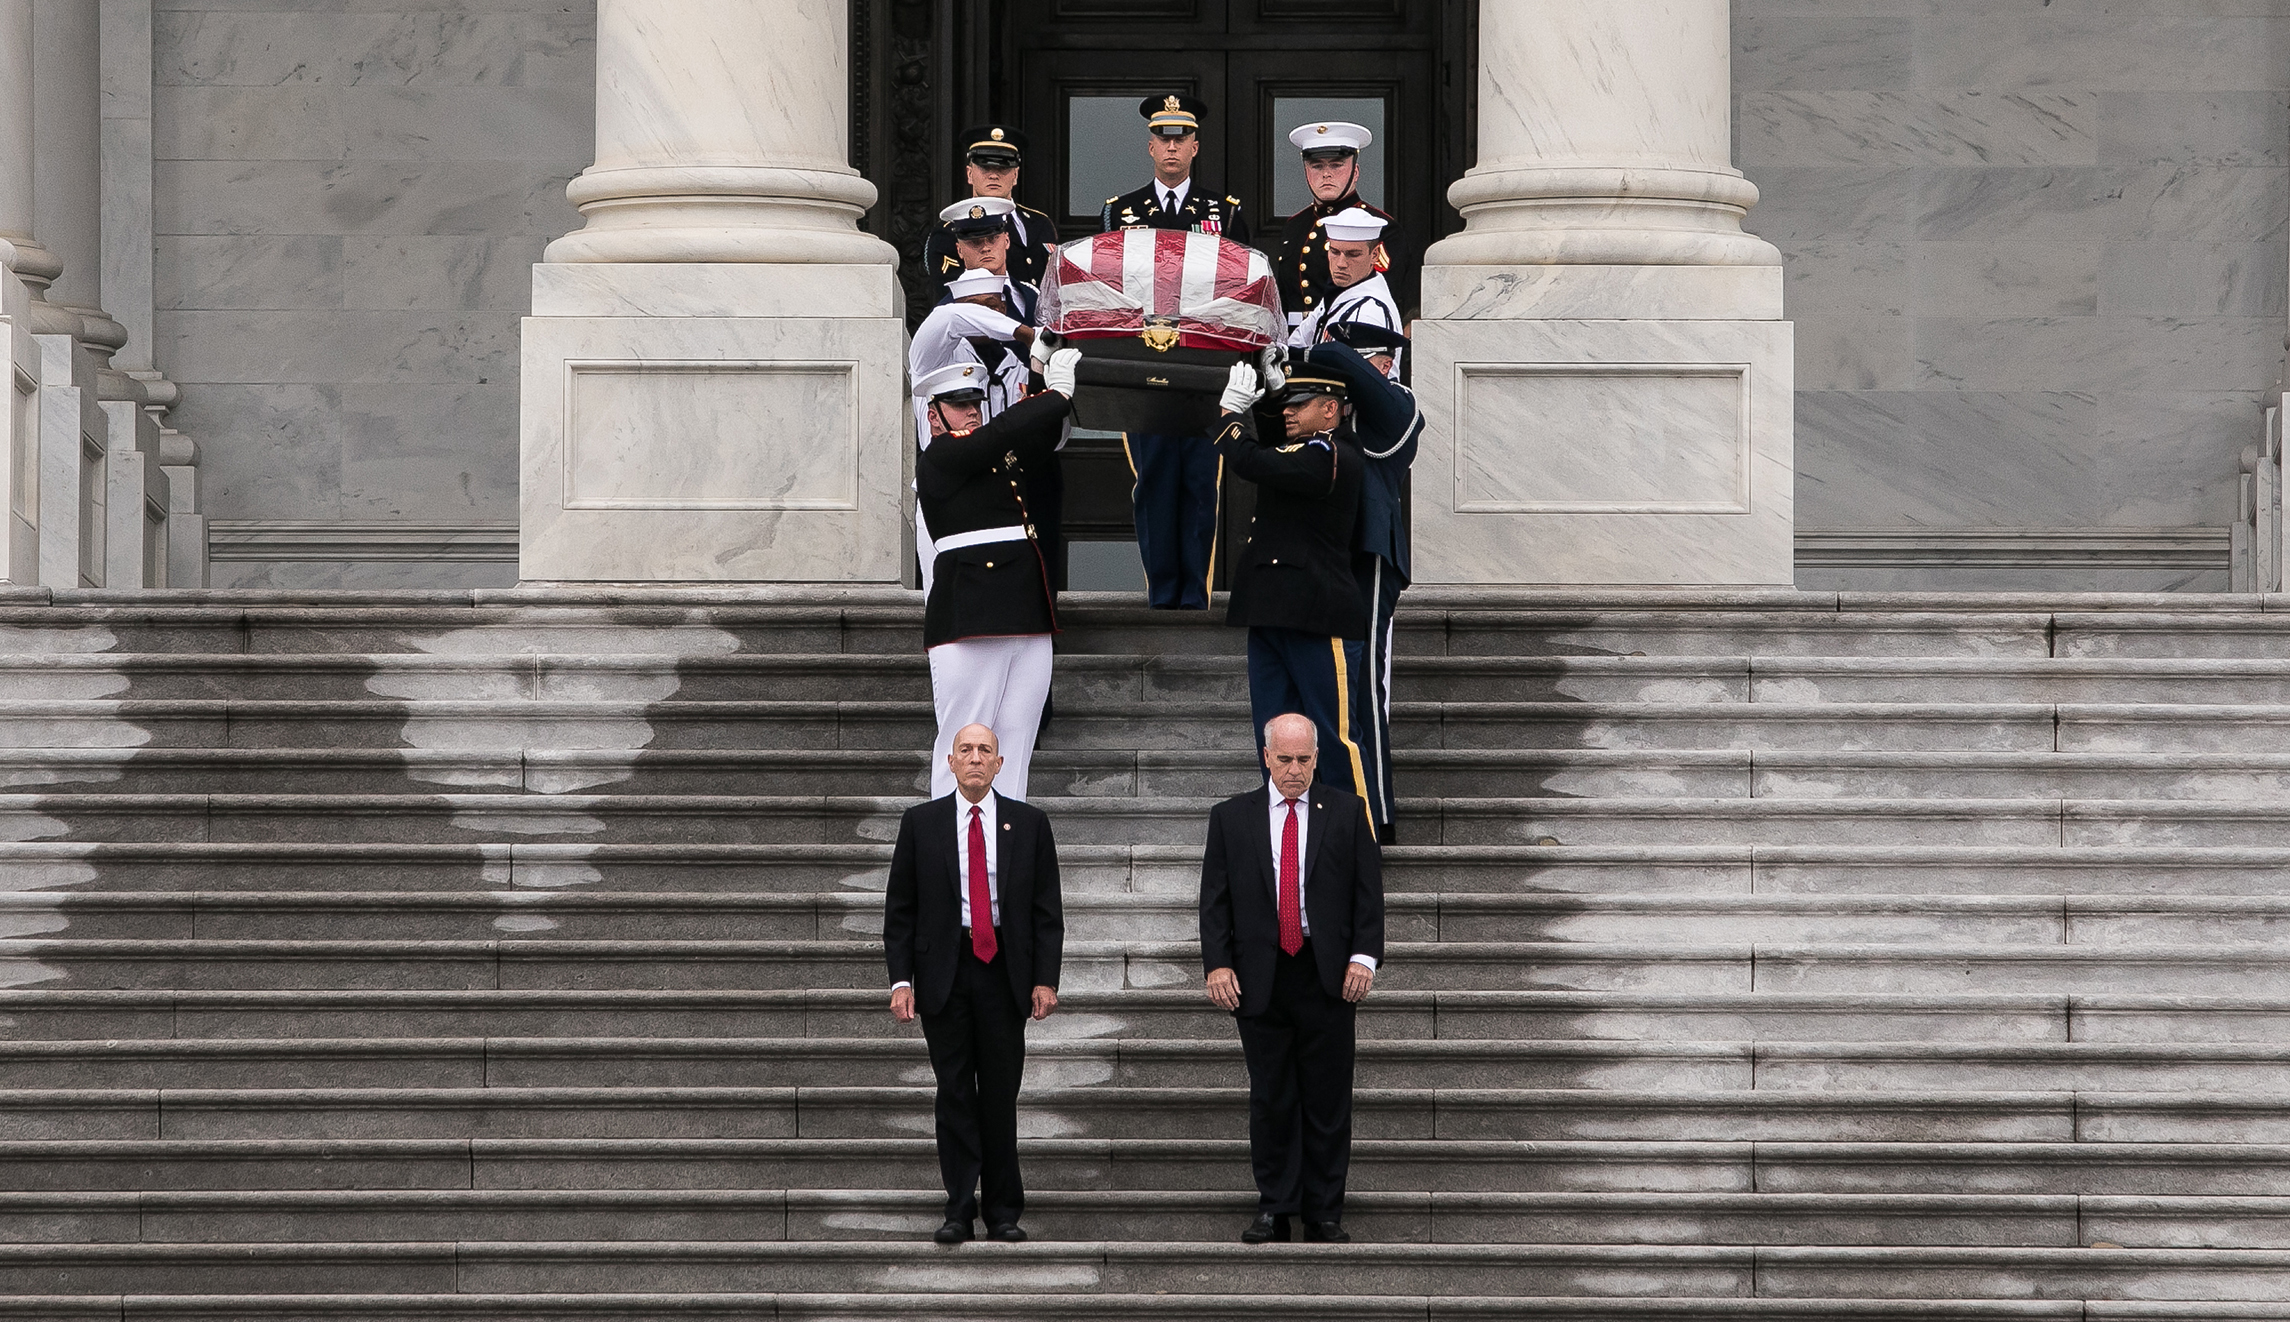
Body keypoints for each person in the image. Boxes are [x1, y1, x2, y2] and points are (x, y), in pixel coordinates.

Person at [1199, 711, 1384, 1245]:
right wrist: (1218, 963)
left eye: (1305, 759)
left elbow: (1368, 897)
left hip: (1326, 974)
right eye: (1285, 759)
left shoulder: (1347, 813)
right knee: (1272, 1097)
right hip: (1260, 977)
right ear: (1266, 758)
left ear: (1316, 758)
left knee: (1328, 1097)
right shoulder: (1231, 817)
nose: (1296, 769)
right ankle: (1275, 1207)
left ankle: (1324, 1212)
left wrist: (1363, 959)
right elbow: (1215, 902)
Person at [885, 722, 1065, 1245]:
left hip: (1005, 971)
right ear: (950, 760)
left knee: (1000, 1094)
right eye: (965, 749)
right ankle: (959, 1208)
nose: (975, 758)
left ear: (1000, 763)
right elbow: (900, 911)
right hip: (944, 971)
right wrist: (901, 981)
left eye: (985, 750)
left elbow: (1046, 911)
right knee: (956, 1093)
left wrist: (1045, 979)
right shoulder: (922, 823)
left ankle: (1004, 1210)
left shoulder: (1028, 824)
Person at [1212, 355, 1380, 826]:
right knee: (1274, 741)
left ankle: (1356, 846)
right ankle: (1287, 839)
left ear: (1331, 410)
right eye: (1288, 403)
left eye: (1300, 404)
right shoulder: (1301, 446)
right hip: (1271, 611)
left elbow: (1255, 460)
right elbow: (1271, 438)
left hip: (1316, 612)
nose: (1289, 411)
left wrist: (1229, 417)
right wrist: (1270, 392)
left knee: (1334, 736)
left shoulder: (1331, 453)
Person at [1101, 93, 1251, 610]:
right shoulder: (1120, 211)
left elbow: (1243, 293)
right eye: (1163, 138)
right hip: (1143, 363)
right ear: (1149, 147)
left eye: (1180, 138)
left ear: (1195, 146)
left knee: (1199, 482)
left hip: (1202, 364)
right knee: (1154, 480)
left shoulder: (1224, 213)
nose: (1171, 147)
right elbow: (1108, 294)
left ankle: (1194, 596)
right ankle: (1162, 592)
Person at [912, 349, 1080, 799]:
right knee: (964, 743)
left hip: (1026, 613)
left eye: (975, 403)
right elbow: (1004, 431)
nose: (971, 411)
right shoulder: (941, 457)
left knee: (1014, 746)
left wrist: (1041, 376)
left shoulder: (993, 453)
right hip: (973, 615)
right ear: (933, 417)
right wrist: (1057, 395)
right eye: (958, 404)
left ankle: (1007, 849)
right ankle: (950, 856)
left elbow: (1034, 436)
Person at [1310, 327, 1422, 845]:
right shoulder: (1339, 408)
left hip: (1370, 554)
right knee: (1336, 688)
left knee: (1363, 688)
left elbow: (1336, 360)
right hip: (1329, 552)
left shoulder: (1397, 404)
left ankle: (1377, 812)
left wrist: (1315, 345)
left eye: (1359, 364)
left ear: (1380, 366)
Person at [1276, 122, 1404, 333]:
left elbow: (1381, 296)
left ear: (1355, 172)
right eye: (1317, 166)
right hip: (1293, 342)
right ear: (1306, 172)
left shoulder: (1379, 227)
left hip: (1346, 336)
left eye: (1336, 165)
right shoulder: (1294, 226)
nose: (1326, 174)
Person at [925, 125, 1060, 293]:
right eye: (985, 168)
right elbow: (951, 292)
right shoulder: (951, 229)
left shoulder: (1040, 223)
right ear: (969, 174)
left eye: (1003, 168)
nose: (993, 175)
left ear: (1015, 175)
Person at [1289, 209, 1405, 372]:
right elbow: (1297, 342)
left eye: (1353, 254)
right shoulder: (1339, 294)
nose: (1341, 263)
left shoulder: (1370, 310)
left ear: (1375, 255)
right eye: (1334, 252)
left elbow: (1361, 381)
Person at [933, 196, 1040, 325]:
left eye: (992, 239)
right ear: (959, 250)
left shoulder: (1031, 295)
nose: (985, 248)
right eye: (975, 242)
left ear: (1006, 240)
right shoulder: (949, 309)